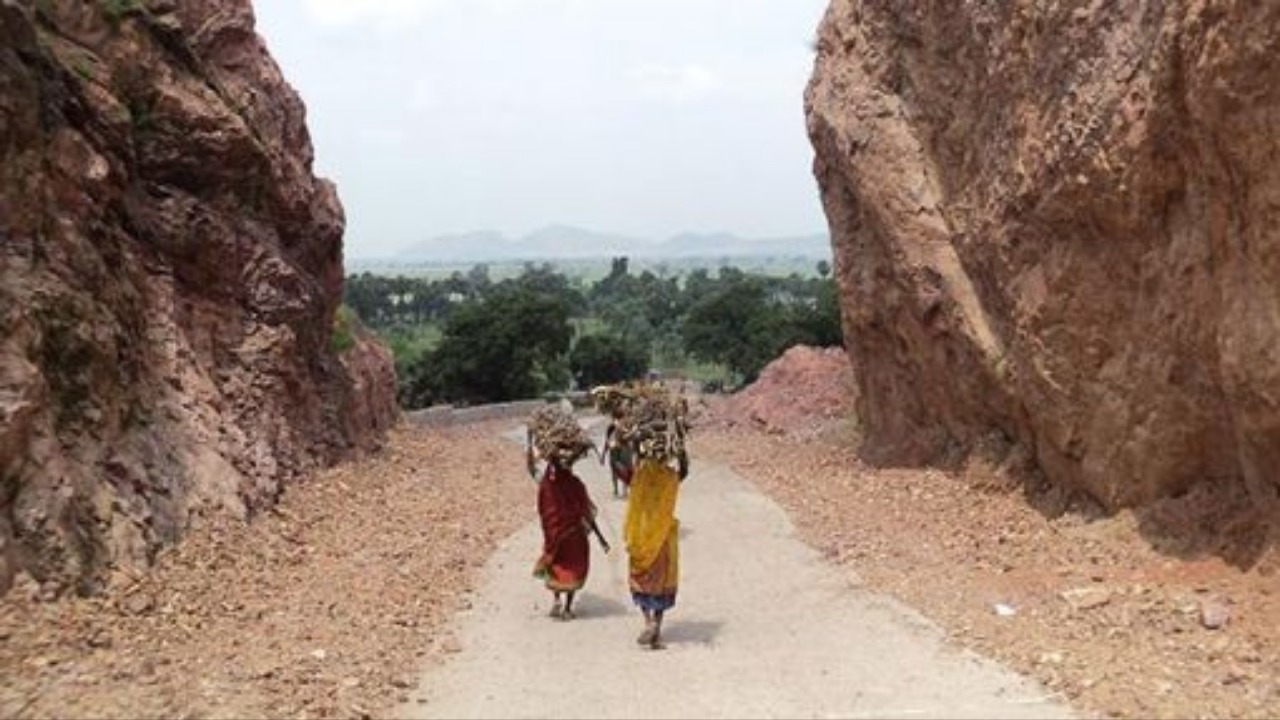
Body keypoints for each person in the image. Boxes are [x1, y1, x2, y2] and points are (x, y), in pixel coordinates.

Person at [527, 434, 608, 621]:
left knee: (557, 563)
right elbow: (587, 511)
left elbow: (532, 469)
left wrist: (530, 444)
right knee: (573, 565)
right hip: (574, 535)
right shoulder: (575, 484)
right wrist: (600, 537)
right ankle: (568, 607)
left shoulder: (547, 484)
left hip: (555, 534)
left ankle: (557, 601)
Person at [624, 445, 689, 649]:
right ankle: (656, 628)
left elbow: (623, 469)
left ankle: (648, 622)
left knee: (641, 582)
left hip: (640, 537)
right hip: (662, 540)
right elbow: (684, 472)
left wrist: (634, 450)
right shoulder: (669, 477)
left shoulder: (639, 476)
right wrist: (681, 452)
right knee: (662, 585)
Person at [601, 409, 635, 499]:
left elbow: (607, 441)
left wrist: (603, 455)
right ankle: (619, 491)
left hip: (620, 450)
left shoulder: (622, 426)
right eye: (625, 416)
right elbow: (610, 441)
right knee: (621, 470)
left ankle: (620, 491)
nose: (626, 418)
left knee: (622, 470)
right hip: (620, 450)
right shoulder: (614, 426)